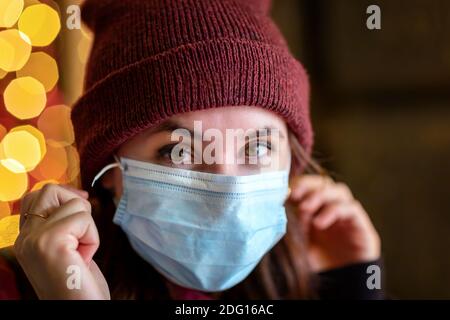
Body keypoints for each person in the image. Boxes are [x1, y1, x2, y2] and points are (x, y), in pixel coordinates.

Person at [0, 0, 383, 299]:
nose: (227, 192)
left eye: (259, 146)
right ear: (111, 171)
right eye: (178, 151)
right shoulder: (18, 285)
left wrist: (353, 286)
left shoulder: (318, 276)